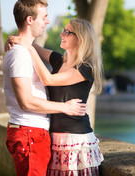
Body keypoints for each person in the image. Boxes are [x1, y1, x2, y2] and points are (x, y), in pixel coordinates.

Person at [7, 18, 104, 176]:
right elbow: (32, 45)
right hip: (54, 138)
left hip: (75, 140)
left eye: (67, 32)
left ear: (80, 38)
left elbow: (48, 79)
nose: (61, 34)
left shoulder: (85, 68)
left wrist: (29, 49)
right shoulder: (59, 60)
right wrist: (16, 38)